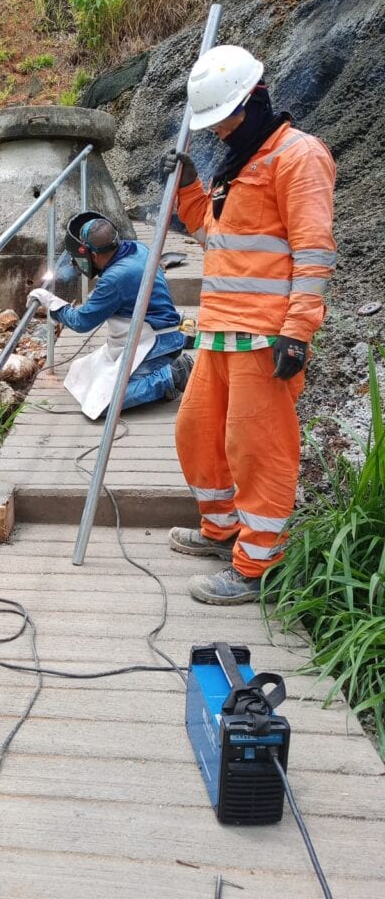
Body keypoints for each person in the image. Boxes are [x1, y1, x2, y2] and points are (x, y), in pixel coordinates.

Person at [160, 44, 336, 605]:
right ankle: (223, 531)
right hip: (218, 329)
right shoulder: (238, 163)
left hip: (264, 335)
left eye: (224, 119)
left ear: (253, 101)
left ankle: (259, 565)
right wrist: (189, 187)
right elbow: (216, 238)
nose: (217, 131)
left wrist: (299, 330)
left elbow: (314, 252)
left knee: (259, 449)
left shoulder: (297, 156)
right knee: (197, 435)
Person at [26, 211, 193, 419]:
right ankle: (161, 375)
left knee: (103, 404)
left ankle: (173, 375)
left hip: (155, 344)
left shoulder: (115, 279)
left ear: (93, 255)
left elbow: (81, 322)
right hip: (154, 335)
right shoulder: (138, 248)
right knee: (81, 373)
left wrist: (51, 303)